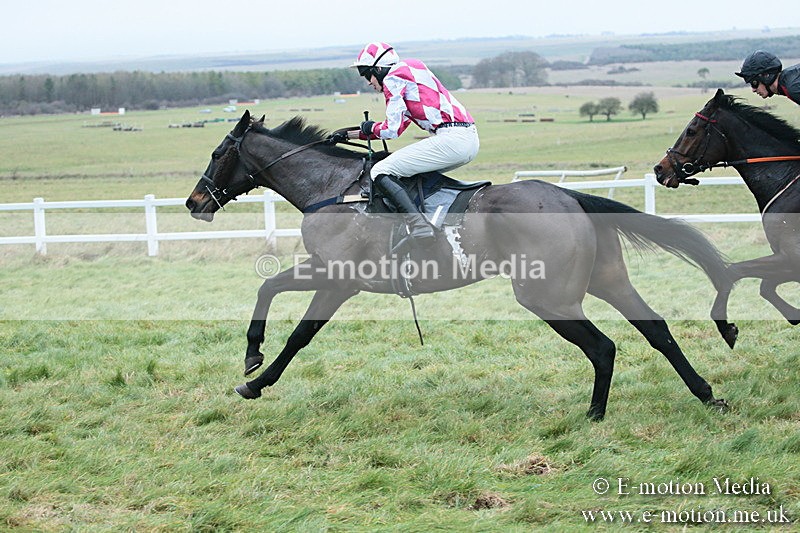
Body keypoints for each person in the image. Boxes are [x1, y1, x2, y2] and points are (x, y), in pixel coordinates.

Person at [343, 42, 479, 242]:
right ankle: (433, 216)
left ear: (379, 69)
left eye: (366, 74)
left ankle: (418, 227)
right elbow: (399, 125)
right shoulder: (412, 68)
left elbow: (390, 130)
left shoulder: (392, 78)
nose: (368, 82)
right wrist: (351, 134)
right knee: (410, 174)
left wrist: (368, 128)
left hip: (452, 139)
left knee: (380, 171)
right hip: (468, 138)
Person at [735, 50, 800, 104]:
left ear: (766, 76)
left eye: (754, 83)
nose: (753, 90)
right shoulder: (789, 81)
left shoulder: (793, 87)